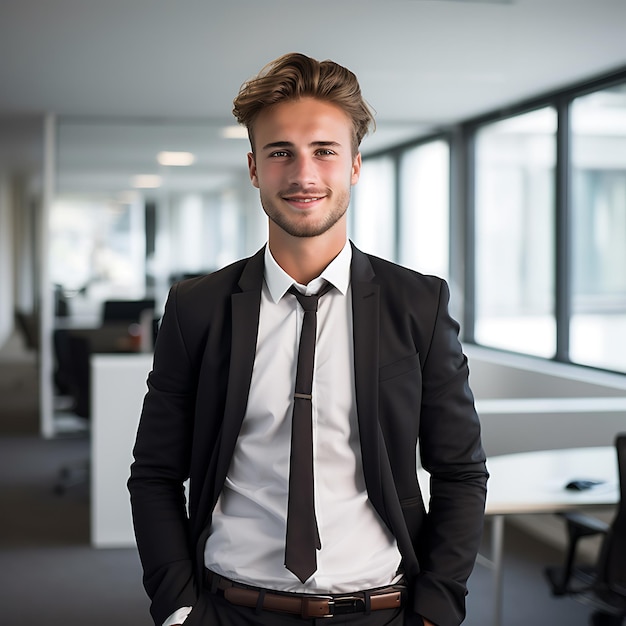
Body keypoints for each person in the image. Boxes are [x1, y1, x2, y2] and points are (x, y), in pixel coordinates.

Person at [128, 52, 488, 626]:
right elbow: (154, 472)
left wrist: (437, 609)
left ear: (354, 165)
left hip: (381, 610)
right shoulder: (197, 308)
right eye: (280, 153)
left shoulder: (418, 304)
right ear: (253, 167)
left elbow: (460, 470)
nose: (304, 174)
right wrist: (176, 608)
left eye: (324, 151)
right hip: (230, 609)